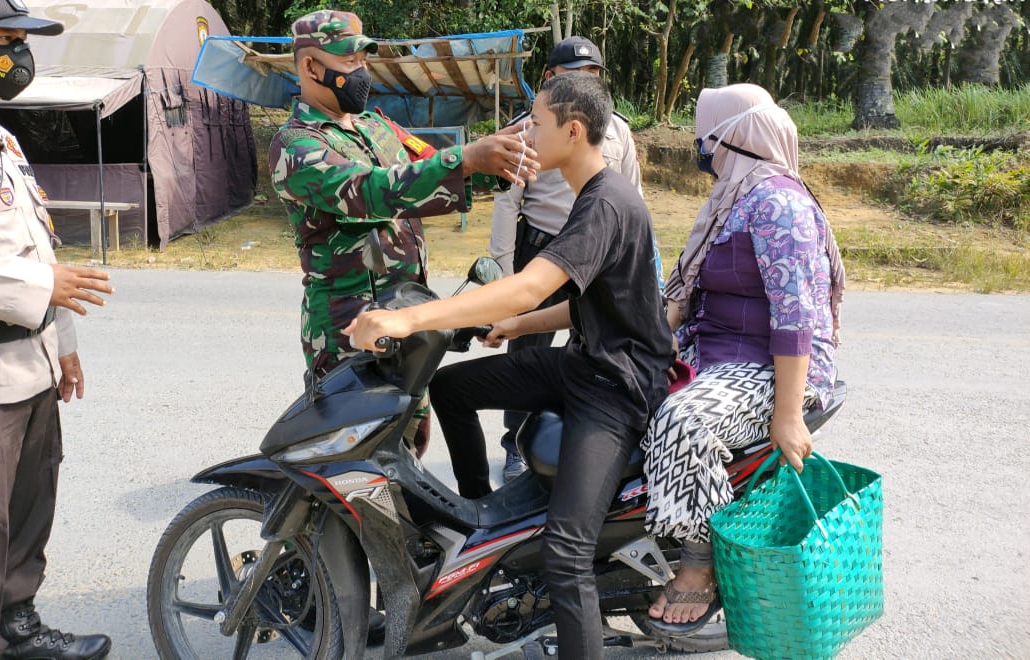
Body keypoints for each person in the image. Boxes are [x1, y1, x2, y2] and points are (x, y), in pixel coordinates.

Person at [346, 72, 673, 660]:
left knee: (566, 554)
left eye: (537, 123)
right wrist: (519, 328)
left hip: (614, 390)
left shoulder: (605, 201)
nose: (524, 133)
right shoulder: (592, 193)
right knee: (451, 387)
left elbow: (529, 286)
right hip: (582, 365)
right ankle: (486, 534)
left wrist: (409, 321)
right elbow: (588, 301)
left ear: (573, 132)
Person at [270, 9, 537, 457]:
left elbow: (426, 168)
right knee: (353, 458)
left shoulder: (378, 127)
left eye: (363, 60)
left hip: (410, 318)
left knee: (407, 446)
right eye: (349, 61)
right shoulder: (295, 144)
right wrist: (467, 159)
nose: (362, 72)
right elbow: (367, 191)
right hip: (348, 330)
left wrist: (502, 158)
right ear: (311, 67)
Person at [641, 83, 846, 636]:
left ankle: (699, 564)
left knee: (681, 421)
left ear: (731, 138)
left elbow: (797, 315)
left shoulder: (780, 204)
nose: (699, 147)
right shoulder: (730, 199)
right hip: (714, 356)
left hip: (766, 369)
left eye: (705, 137)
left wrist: (787, 413)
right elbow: (682, 295)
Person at [0, 2, 115, 658]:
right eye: (2, 40)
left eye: (22, 41)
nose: (18, 55)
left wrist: (64, 345)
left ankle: (18, 629)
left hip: (31, 365)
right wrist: (39, 289)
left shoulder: (1, 137)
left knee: (25, 513)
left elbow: (36, 249)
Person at [488, 35, 647, 483]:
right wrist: (504, 273)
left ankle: (569, 443)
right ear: (550, 78)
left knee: (589, 350)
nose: (583, 83)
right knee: (526, 353)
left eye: (591, 75)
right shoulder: (528, 129)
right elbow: (506, 203)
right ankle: (516, 443)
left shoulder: (618, 130)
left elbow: (632, 195)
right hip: (541, 252)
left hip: (596, 257)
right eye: (572, 75)